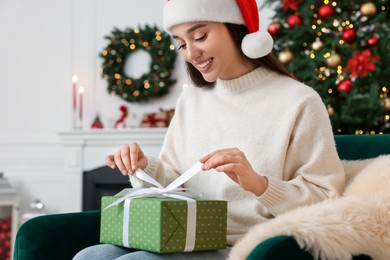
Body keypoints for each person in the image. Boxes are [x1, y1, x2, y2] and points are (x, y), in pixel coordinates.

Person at [73, 0, 345, 259]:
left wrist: (259, 184)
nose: (191, 54)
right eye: (181, 44)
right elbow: (175, 181)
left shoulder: (298, 101)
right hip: (181, 238)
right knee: (88, 256)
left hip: (246, 246)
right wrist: (144, 167)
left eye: (200, 36)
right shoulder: (191, 100)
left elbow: (325, 199)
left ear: (237, 28)